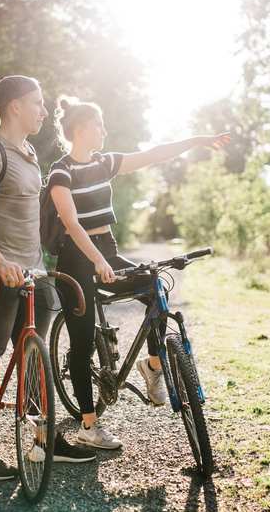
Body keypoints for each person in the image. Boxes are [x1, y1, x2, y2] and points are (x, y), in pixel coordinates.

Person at [47, 96, 230, 450]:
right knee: (82, 345)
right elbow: (70, 223)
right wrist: (96, 260)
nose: (104, 130)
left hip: (108, 251)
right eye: (99, 124)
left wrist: (197, 141)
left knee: (154, 284)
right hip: (75, 261)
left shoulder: (105, 162)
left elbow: (154, 154)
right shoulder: (61, 171)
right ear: (82, 129)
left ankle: (153, 364)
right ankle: (88, 425)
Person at [0, 77, 95, 481]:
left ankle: (43, 440)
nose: (43, 110)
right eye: (37, 103)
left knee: (36, 359)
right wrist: (0, 262)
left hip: (34, 272)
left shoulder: (31, 153)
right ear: (15, 106)